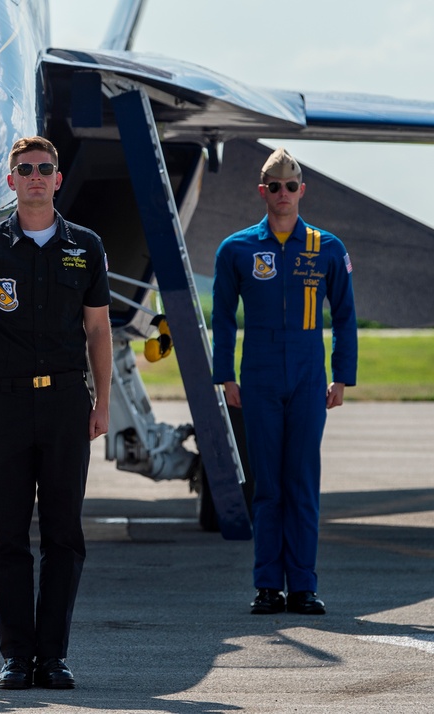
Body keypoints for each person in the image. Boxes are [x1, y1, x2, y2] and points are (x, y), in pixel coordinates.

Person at [0, 136, 113, 690]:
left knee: (65, 535)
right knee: (7, 538)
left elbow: (98, 330)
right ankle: (16, 656)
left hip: (68, 401)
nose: (36, 177)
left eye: (45, 168)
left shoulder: (86, 247)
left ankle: (54, 656)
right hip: (4, 405)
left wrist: (103, 402)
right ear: (11, 181)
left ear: (58, 179)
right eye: (26, 169)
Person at [211, 147, 357, 616]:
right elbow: (223, 318)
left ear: (302, 191)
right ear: (262, 191)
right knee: (268, 484)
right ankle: (268, 586)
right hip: (258, 375)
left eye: (291, 186)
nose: (283, 194)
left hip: (309, 375)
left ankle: (304, 586)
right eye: (274, 186)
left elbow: (347, 316)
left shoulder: (326, 248)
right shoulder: (237, 249)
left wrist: (343, 377)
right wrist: (224, 375)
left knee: (302, 481)